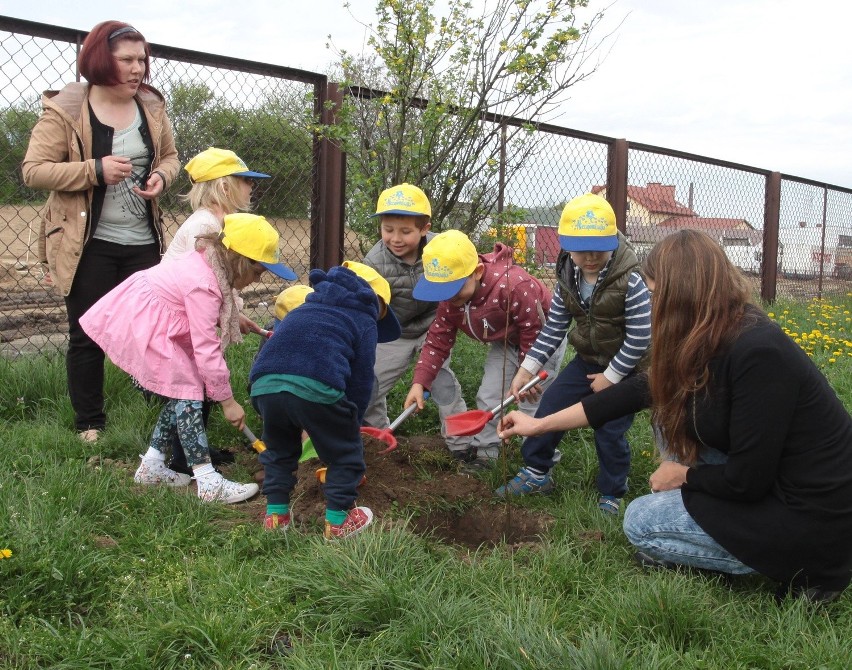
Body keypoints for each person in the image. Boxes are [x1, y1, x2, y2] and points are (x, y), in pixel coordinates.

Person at [497, 229, 852, 603]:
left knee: (641, 521)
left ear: (681, 294)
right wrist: (538, 425)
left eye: (653, 294)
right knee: (669, 435)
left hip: (812, 513)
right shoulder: (715, 332)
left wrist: (683, 474)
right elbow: (631, 394)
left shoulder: (758, 353)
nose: (649, 305)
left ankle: (811, 570)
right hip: (773, 479)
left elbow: (748, 480)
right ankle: (716, 539)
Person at [21, 20, 181, 444]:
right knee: (87, 332)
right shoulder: (67, 109)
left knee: (150, 330)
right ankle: (89, 423)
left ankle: (157, 399)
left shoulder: (151, 106)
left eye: (141, 59)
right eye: (126, 59)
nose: (137, 68)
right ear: (99, 59)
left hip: (143, 240)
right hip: (86, 243)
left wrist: (162, 178)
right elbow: (33, 170)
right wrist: (94, 170)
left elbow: (170, 156)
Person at [79, 213, 298, 503]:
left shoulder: (211, 265)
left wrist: (235, 317)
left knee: (185, 388)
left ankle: (152, 466)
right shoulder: (204, 283)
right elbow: (206, 348)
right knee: (189, 389)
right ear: (240, 260)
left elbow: (208, 309)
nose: (258, 279)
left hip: (152, 317)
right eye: (258, 272)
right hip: (144, 324)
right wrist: (228, 402)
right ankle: (207, 481)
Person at [495, 193, 651, 515]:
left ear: (613, 240)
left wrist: (611, 378)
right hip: (586, 362)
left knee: (609, 429)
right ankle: (538, 473)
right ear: (566, 245)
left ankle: (611, 493)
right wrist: (527, 369)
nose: (590, 257)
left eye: (598, 248)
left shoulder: (631, 279)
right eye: (580, 250)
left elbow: (639, 339)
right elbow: (554, 327)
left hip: (626, 369)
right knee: (550, 407)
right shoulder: (569, 275)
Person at [250, 261, 401, 538]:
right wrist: (349, 420)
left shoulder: (305, 307)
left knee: (279, 451)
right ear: (376, 301)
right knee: (344, 454)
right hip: (316, 384)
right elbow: (361, 378)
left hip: (264, 384)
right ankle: (338, 521)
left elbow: (272, 351)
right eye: (383, 313)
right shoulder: (364, 319)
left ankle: (276, 516)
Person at [405, 229, 566, 470]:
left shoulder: (513, 285)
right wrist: (420, 382)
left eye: (453, 288)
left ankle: (539, 462)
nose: (447, 297)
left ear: (477, 272)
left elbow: (534, 328)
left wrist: (529, 370)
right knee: (489, 395)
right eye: (441, 290)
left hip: (543, 341)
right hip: (505, 343)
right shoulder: (451, 300)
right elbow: (437, 340)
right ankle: (487, 453)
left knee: (531, 401)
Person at [163, 147, 273, 475]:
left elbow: (216, 290)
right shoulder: (208, 226)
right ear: (225, 186)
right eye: (244, 180)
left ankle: (190, 448)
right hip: (180, 320)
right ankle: (186, 459)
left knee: (200, 386)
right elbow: (207, 285)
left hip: (187, 316)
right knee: (198, 386)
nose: (250, 187)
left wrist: (234, 316)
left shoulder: (215, 221)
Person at [361, 183, 468, 460]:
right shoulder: (374, 263)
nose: (396, 239)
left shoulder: (439, 249)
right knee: (369, 384)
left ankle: (461, 444)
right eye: (388, 230)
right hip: (393, 333)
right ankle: (378, 440)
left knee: (442, 381)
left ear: (424, 229)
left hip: (435, 325)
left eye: (405, 231)